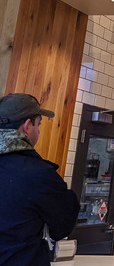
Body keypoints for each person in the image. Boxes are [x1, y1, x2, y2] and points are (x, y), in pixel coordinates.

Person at [0, 93, 79, 266]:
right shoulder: (38, 174)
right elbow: (63, 225)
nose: (38, 131)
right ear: (27, 126)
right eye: (39, 124)